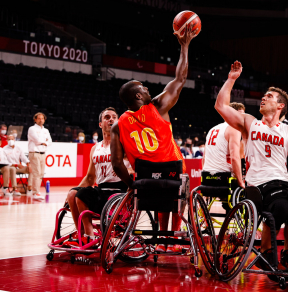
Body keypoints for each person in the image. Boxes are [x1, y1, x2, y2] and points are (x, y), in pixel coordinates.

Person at [215, 61, 288, 272]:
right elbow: (221, 106)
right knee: (280, 206)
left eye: (269, 97)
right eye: (264, 96)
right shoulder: (250, 122)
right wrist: (231, 79)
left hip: (283, 181)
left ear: (280, 106)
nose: (263, 97)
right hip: (260, 183)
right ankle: (266, 250)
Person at [110, 23, 198, 254]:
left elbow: (117, 164)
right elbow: (180, 78)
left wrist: (132, 185)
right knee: (177, 191)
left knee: (156, 191)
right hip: (173, 170)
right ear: (139, 96)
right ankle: (172, 239)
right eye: (144, 88)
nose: (148, 89)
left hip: (145, 180)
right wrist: (185, 47)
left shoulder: (118, 125)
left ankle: (159, 239)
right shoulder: (157, 106)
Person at [64, 107, 132, 247]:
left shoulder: (124, 144)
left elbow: (135, 166)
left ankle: (90, 236)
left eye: (114, 117)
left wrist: (127, 170)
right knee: (72, 194)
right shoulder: (95, 148)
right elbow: (90, 177)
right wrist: (71, 192)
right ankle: (81, 233)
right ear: (100, 124)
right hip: (101, 190)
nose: (111, 119)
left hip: (118, 192)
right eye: (107, 117)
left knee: (82, 195)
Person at [202, 102, 245, 187]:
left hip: (206, 177)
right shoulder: (234, 129)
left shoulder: (212, 129)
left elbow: (204, 158)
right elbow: (235, 158)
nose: (243, 118)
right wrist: (241, 182)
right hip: (224, 178)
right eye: (241, 115)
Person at [27, 113, 52, 200]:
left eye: (42, 119)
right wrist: (43, 142)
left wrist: (44, 142)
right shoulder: (32, 129)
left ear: (44, 120)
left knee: (41, 173)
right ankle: (35, 192)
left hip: (42, 153)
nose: (41, 120)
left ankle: (37, 191)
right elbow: (37, 140)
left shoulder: (46, 130)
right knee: (36, 173)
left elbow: (50, 142)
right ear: (35, 119)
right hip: (34, 153)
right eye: (39, 119)